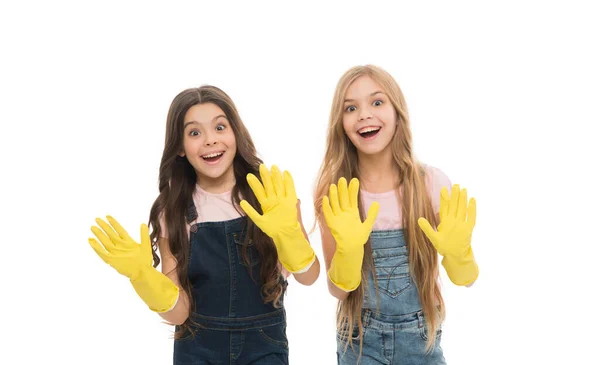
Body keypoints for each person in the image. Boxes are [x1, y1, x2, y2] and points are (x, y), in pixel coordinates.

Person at [88, 85, 320, 364]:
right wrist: (142, 277)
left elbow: (309, 276)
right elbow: (179, 314)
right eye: (194, 132)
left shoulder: (270, 194)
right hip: (197, 348)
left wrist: (288, 234)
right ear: (181, 148)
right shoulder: (172, 210)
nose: (210, 140)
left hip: (264, 345)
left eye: (220, 127)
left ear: (236, 132)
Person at [313, 65, 478, 364]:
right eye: (351, 107)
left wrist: (460, 256)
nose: (364, 114)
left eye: (377, 102)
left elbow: (467, 280)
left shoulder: (430, 184)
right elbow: (337, 290)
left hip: (422, 342)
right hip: (359, 343)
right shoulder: (336, 193)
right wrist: (348, 255)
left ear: (397, 111)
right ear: (341, 122)